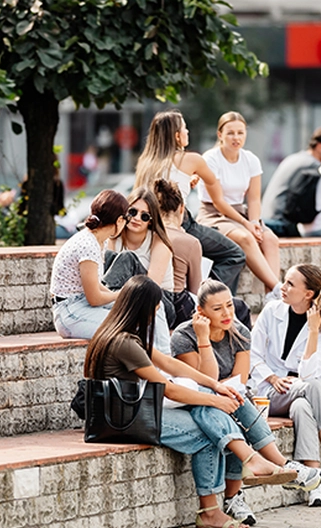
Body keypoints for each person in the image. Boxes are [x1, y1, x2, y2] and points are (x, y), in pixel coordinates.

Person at [84, 276, 300, 528]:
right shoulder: (124, 343)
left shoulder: (126, 335)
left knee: (214, 414)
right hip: (125, 420)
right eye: (154, 309)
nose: (156, 315)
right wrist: (215, 399)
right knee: (208, 433)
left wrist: (215, 385)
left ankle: (248, 463)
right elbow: (168, 389)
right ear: (141, 308)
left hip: (134, 411)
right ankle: (213, 508)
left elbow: (170, 364)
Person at [172, 279, 321, 523]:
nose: (227, 314)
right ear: (200, 311)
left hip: (232, 398)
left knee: (234, 403)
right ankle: (276, 466)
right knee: (226, 406)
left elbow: (240, 379)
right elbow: (204, 381)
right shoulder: (184, 336)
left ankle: (240, 493)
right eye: (218, 308)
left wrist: (224, 390)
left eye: (229, 305)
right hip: (196, 402)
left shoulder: (239, 331)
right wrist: (203, 339)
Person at [249, 265, 321, 507]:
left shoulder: (320, 325)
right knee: (316, 388)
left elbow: (310, 374)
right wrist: (272, 378)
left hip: (300, 390)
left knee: (302, 407)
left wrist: (312, 331)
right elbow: (252, 354)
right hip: (270, 391)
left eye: (290, 284)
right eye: (285, 281)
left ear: (308, 294)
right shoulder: (271, 311)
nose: (282, 287)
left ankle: (315, 485)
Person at [133, 110, 247, 294]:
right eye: (185, 128)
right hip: (179, 223)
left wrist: (186, 182)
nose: (188, 132)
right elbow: (213, 182)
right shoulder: (191, 159)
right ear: (177, 136)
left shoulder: (145, 162)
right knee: (234, 255)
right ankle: (209, 296)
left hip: (151, 223)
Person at [196, 112, 282, 294]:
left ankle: (272, 299)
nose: (236, 138)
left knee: (270, 239)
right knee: (245, 238)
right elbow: (218, 201)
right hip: (214, 214)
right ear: (220, 135)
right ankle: (278, 289)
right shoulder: (211, 159)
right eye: (230, 133)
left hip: (241, 213)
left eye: (240, 133)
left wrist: (254, 222)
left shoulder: (251, 159)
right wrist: (245, 224)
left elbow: (254, 198)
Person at [101, 187, 173, 352]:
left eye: (144, 216)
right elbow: (105, 269)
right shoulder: (114, 236)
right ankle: (105, 303)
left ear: (151, 221)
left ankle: (103, 304)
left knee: (128, 258)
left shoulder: (159, 243)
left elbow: (151, 289)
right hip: (125, 297)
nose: (137, 218)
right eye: (132, 212)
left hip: (160, 302)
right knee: (111, 257)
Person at [50, 189, 128, 340]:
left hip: (81, 305)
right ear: (119, 220)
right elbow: (94, 298)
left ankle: (162, 353)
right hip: (70, 313)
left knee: (142, 311)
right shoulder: (88, 245)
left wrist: (121, 299)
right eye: (126, 219)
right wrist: (121, 294)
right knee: (127, 326)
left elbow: (95, 285)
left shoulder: (99, 241)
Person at [260, 126, 321, 235]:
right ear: (319, 147)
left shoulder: (295, 157)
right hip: (281, 222)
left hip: (267, 216)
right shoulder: (312, 166)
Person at [153, 179, 202, 327]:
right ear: (182, 209)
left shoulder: (148, 234)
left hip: (151, 299)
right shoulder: (190, 242)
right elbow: (195, 289)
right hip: (178, 305)